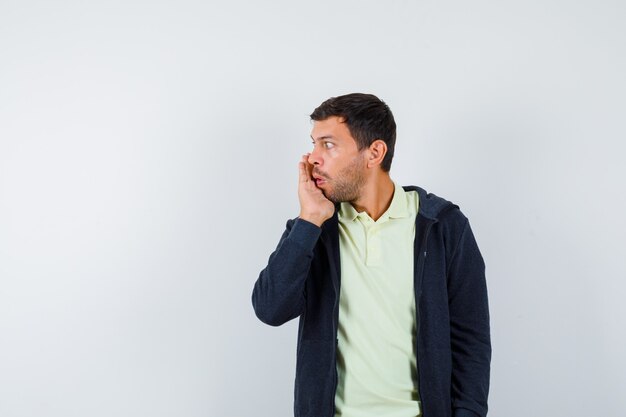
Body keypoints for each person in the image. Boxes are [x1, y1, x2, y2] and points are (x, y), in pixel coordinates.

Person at [251, 93, 491, 417]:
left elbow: (471, 341)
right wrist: (309, 220)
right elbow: (270, 309)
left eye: (328, 144)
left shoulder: (443, 226)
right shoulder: (314, 230)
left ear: (375, 152)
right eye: (314, 144)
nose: (312, 158)